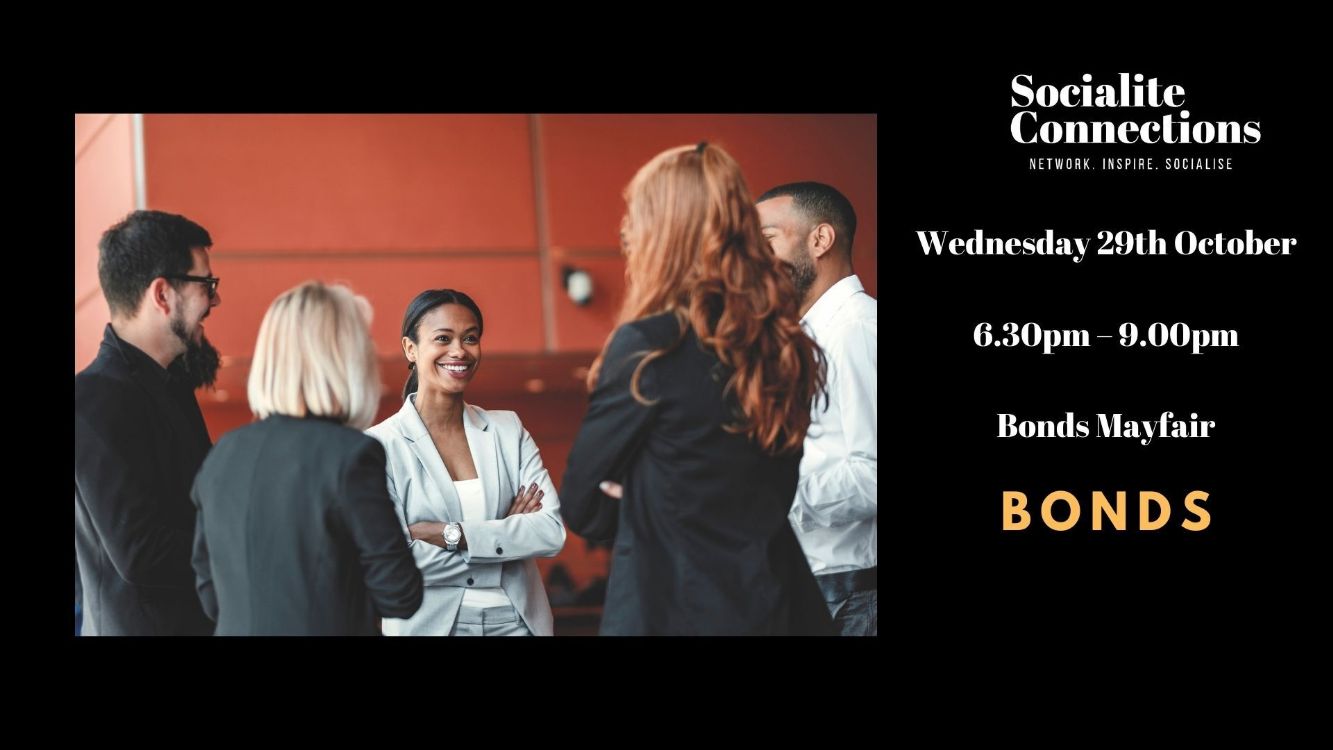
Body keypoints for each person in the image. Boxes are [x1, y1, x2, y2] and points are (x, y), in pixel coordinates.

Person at [560, 142, 834, 635]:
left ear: (663, 231)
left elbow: (582, 505)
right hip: (778, 607)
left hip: (674, 610)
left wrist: (647, 495)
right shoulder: (784, 345)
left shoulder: (650, 346)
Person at [189, 281, 423, 635]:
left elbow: (209, 594)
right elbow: (400, 593)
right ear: (343, 357)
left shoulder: (224, 453)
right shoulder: (350, 454)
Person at [367, 289, 566, 636]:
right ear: (410, 349)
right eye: (443, 338)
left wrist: (452, 534)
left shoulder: (508, 430)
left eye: (470, 338)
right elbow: (395, 564)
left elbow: (550, 531)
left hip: (519, 623)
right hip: (429, 627)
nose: (459, 350)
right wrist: (506, 540)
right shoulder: (380, 446)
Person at [75, 210, 222, 636]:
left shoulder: (173, 384)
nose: (215, 301)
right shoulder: (90, 400)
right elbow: (141, 552)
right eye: (206, 285)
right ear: (163, 294)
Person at [757, 181, 877, 636]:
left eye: (767, 241)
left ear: (820, 240)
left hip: (850, 593)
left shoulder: (858, 330)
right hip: (814, 586)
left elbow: (874, 473)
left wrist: (769, 491)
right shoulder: (808, 338)